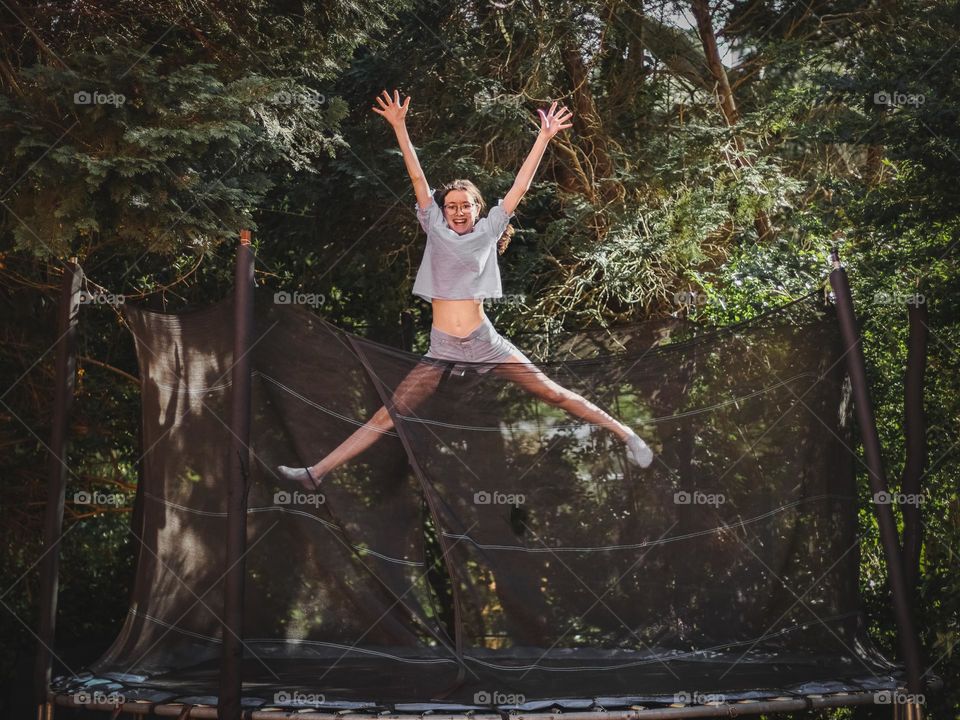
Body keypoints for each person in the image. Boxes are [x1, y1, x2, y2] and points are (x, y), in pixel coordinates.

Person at [277, 90, 652, 490]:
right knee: (389, 414)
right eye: (451, 205)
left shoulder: (490, 230)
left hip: (484, 341)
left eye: (466, 205)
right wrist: (400, 127)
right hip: (442, 350)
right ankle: (315, 474)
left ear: (478, 208)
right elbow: (418, 179)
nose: (458, 211)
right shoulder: (434, 228)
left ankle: (626, 433)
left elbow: (520, 188)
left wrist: (543, 138)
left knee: (553, 394)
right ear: (442, 210)